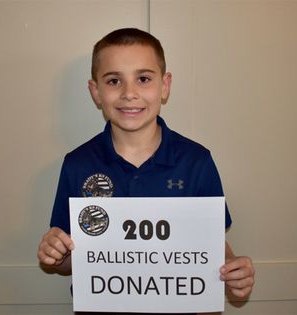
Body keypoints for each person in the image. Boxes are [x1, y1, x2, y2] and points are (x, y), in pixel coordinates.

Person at [37, 28, 255, 311]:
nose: (129, 93)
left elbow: (211, 246)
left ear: (164, 86)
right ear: (96, 92)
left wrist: (233, 272)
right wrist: (55, 254)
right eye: (114, 80)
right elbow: (70, 263)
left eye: (143, 79)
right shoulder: (77, 164)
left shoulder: (196, 161)